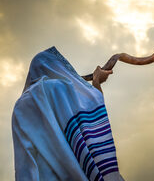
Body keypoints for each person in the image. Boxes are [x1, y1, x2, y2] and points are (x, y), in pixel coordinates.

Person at [11, 46, 125, 181]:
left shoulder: (19, 108)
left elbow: (23, 160)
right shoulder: (57, 88)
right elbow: (91, 106)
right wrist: (96, 82)